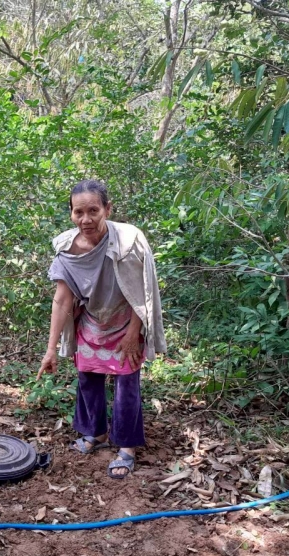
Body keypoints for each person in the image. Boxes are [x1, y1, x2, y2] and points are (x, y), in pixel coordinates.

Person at [37, 180, 166, 479]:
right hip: (91, 320)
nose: (86, 219)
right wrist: (50, 349)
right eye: (78, 212)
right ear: (71, 213)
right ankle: (96, 433)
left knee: (126, 385)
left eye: (93, 210)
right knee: (88, 378)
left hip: (127, 320)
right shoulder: (66, 249)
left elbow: (141, 293)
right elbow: (62, 299)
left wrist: (133, 334)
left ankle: (126, 446)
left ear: (107, 209)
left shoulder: (129, 241)